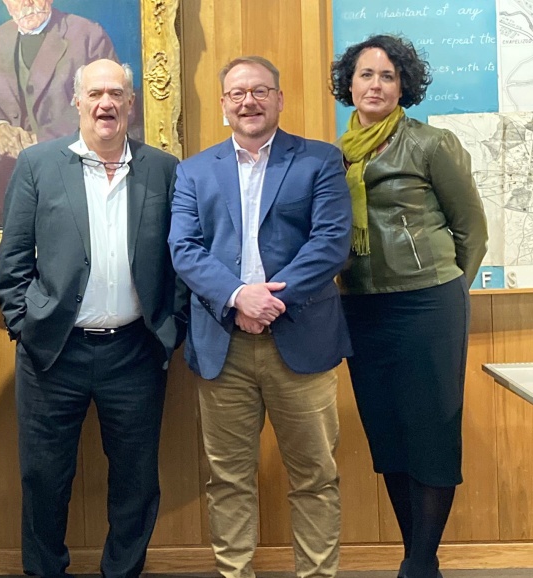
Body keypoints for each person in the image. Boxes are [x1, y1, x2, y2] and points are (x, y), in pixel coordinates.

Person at [0, 59, 186, 578]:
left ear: (130, 102)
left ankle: (122, 572)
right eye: (95, 93)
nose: (106, 103)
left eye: (116, 93)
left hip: (135, 352)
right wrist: (25, 324)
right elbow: (11, 263)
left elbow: (181, 260)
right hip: (54, 351)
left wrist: (172, 330)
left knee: (136, 481)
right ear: (76, 101)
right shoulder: (38, 164)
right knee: (43, 478)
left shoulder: (163, 169)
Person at [168, 56, 353, 578]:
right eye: (237, 94)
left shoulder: (319, 160)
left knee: (315, 476)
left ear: (279, 98)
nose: (248, 101)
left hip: (301, 340)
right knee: (228, 480)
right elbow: (184, 248)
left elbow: (331, 242)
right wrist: (237, 297)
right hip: (222, 344)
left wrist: (270, 299)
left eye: (260, 91)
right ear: (224, 104)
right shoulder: (194, 170)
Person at [330, 35, 488, 578]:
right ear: (348, 85)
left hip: (429, 307)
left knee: (433, 433)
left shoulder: (430, 144)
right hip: (361, 308)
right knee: (390, 435)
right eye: (366, 75)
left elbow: (472, 230)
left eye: (388, 76)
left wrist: (446, 293)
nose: (376, 85)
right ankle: (414, 556)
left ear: (405, 86)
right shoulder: (334, 155)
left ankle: (420, 564)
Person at [0, 0, 118, 224]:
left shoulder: (88, 34)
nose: (27, 2)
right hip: (12, 161)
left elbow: (107, 103)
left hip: (72, 158)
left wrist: (40, 140)